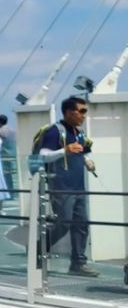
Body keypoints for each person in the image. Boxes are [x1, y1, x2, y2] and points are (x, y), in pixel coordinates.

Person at [39, 96, 97, 276]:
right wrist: (65, 150)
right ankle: (39, 249)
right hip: (61, 187)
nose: (84, 115)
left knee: (81, 224)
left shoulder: (77, 132)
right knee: (63, 223)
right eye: (81, 111)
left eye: (85, 111)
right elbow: (43, 155)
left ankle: (78, 263)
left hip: (78, 187)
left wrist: (87, 161)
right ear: (68, 112)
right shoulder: (55, 131)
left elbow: (78, 153)